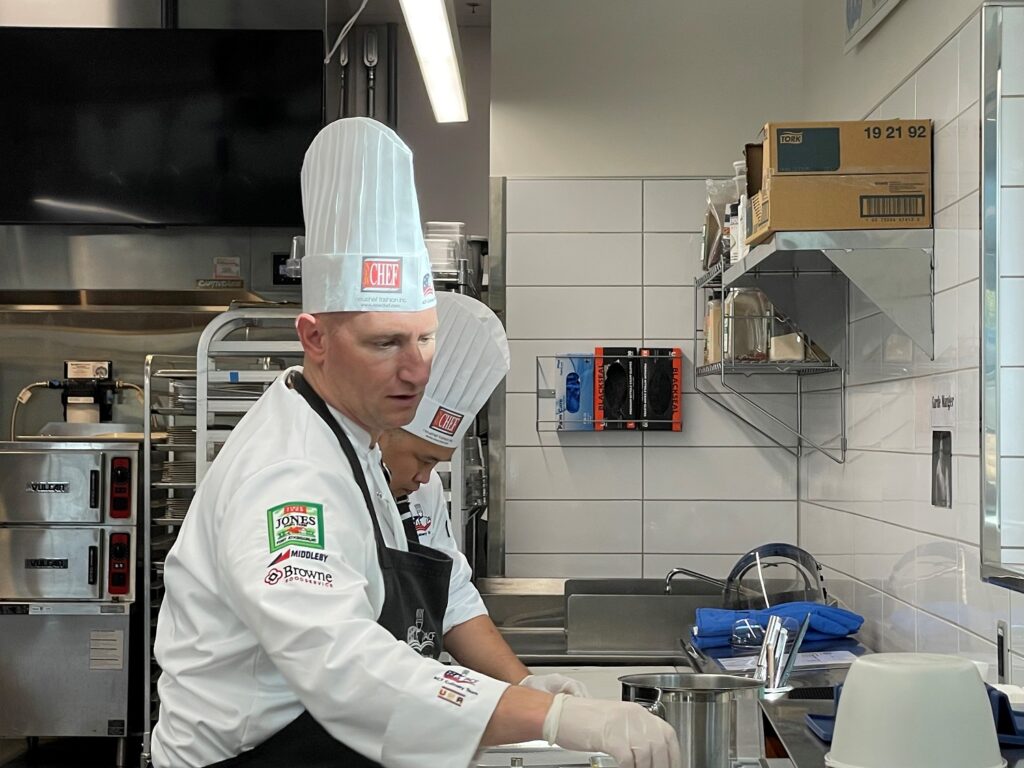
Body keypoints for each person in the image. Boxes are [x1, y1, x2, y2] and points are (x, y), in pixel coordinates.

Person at [151, 117, 680, 768]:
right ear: (316, 338)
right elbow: (344, 664)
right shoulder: (288, 472)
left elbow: (448, 591)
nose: (411, 371)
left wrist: (521, 690)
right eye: (382, 345)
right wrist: (557, 715)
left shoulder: (369, 445)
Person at [377, 290, 587, 699]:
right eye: (421, 458)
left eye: (436, 462)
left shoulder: (424, 490)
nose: (425, 477)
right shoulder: (329, 484)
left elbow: (452, 597)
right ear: (382, 428)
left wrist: (524, 684)